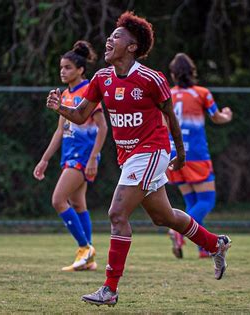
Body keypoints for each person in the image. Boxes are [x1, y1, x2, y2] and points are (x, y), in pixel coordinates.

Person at [46, 12, 232, 307]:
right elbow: (82, 115)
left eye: (117, 37)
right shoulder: (102, 78)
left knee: (117, 213)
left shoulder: (150, 79)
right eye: (110, 36)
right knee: (164, 217)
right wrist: (60, 109)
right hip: (129, 156)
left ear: (132, 47)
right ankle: (215, 244)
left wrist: (180, 153)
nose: (109, 40)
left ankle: (109, 289)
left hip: (152, 151)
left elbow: (169, 116)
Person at [33, 41, 108, 272]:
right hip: (69, 154)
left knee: (58, 200)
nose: (62, 71)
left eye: (67, 67)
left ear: (80, 70)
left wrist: (95, 157)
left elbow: (103, 127)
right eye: (61, 67)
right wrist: (45, 159)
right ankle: (89, 259)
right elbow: (60, 131)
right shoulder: (64, 94)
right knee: (77, 203)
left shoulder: (88, 91)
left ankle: (85, 247)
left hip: (83, 156)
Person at [166, 53, 233, 259]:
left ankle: (204, 249)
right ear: (192, 72)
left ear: (173, 74)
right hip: (195, 153)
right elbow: (217, 117)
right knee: (207, 200)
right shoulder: (201, 93)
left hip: (174, 153)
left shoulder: (168, 93)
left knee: (191, 202)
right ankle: (178, 230)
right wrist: (227, 115)